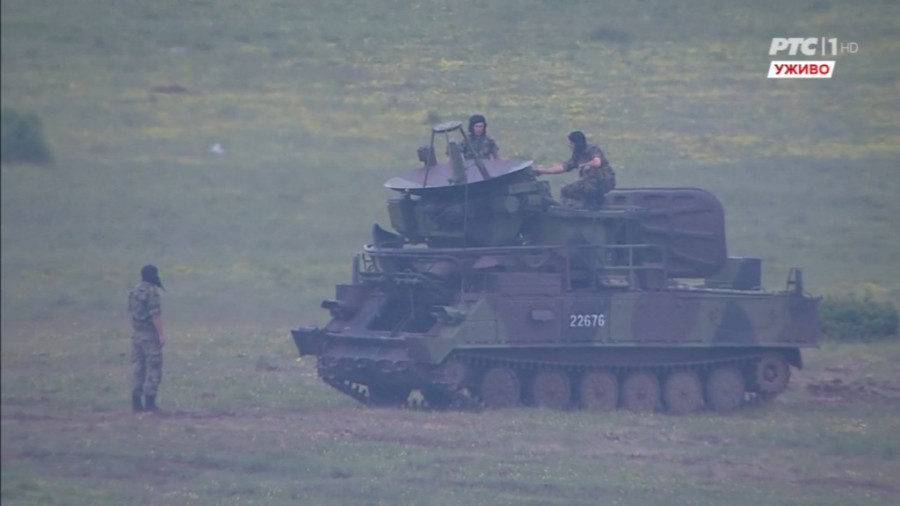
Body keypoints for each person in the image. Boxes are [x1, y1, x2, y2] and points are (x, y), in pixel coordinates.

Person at [534, 130, 616, 209]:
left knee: (590, 170)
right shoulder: (577, 155)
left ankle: (594, 203)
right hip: (588, 185)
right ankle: (572, 208)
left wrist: (584, 165)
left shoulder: (592, 149)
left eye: (571, 143)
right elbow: (563, 167)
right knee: (566, 190)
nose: (569, 145)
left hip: (604, 182)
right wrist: (542, 171)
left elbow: (597, 162)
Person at [128, 264, 166, 412]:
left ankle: (136, 403)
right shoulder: (151, 292)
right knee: (153, 368)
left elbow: (131, 313)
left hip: (136, 334)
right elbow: (155, 315)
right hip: (149, 335)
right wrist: (161, 335)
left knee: (138, 368)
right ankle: (150, 403)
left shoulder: (134, 291)